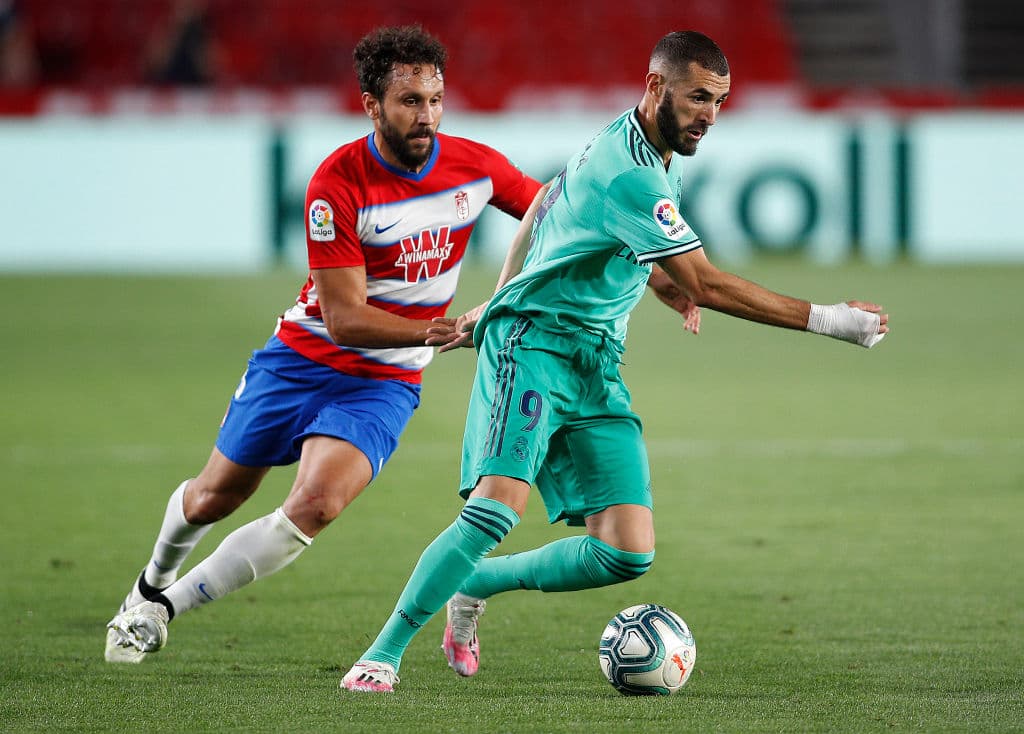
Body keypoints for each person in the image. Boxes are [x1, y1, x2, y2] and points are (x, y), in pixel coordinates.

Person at [340, 29, 889, 693]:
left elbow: (549, 201)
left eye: (718, 100)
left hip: (595, 358)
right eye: (696, 98)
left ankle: (474, 583)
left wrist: (648, 283)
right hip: (536, 344)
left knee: (627, 550)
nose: (709, 114)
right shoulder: (630, 171)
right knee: (494, 510)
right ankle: (382, 654)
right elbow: (707, 283)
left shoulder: (651, 150)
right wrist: (830, 319)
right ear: (656, 87)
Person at [104, 24, 546, 663]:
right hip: (299, 363)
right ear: (373, 106)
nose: (427, 116)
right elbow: (344, 320)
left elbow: (552, 216)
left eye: (435, 99)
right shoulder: (336, 183)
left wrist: (660, 274)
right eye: (410, 102)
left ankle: (161, 611)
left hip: (384, 382)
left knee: (315, 504)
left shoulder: (474, 167)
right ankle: (147, 584)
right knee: (213, 497)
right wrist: (442, 330)